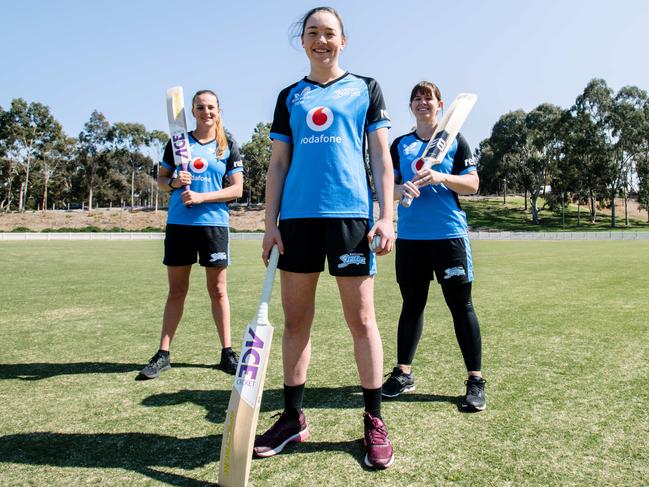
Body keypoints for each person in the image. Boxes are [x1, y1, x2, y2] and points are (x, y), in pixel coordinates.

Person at [254, 6, 396, 469]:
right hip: (297, 221)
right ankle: (292, 418)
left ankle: (373, 421)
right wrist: (270, 223)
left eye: (329, 33)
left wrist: (386, 216)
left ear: (343, 40)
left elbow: (380, 160)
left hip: (351, 219)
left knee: (362, 321)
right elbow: (277, 165)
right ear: (303, 42)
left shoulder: (366, 88)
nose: (321, 40)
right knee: (297, 323)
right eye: (313, 33)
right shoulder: (289, 96)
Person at [382, 81, 487, 412]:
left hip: (448, 236)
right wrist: (403, 190)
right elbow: (387, 188)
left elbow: (472, 184)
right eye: (416, 98)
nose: (422, 102)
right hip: (411, 239)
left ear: (440, 105)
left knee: (461, 306)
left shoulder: (455, 142)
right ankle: (403, 374)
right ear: (410, 106)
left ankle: (475, 381)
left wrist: (442, 178)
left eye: (428, 98)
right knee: (411, 305)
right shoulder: (400, 144)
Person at [138, 89, 244, 379]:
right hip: (180, 225)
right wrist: (174, 181)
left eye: (211, 107)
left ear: (218, 110)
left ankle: (227, 353)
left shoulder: (227, 146)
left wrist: (201, 197)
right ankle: (163, 353)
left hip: (213, 225)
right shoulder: (178, 143)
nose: (206, 112)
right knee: (177, 291)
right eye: (200, 107)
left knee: (218, 290)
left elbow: (237, 189)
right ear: (193, 111)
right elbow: (161, 180)